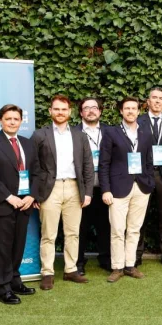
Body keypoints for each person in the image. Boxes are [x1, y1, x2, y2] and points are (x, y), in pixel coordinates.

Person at [0, 104, 38, 305]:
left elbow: (37, 172)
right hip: (1, 205)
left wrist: (32, 196)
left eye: (16, 119)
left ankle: (15, 281)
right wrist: (9, 197)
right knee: (2, 249)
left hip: (24, 204)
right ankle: (2, 289)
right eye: (8, 118)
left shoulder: (28, 144)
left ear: (21, 121)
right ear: (0, 120)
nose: (12, 122)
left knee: (18, 246)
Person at [31, 95, 94, 290]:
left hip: (74, 188)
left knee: (73, 233)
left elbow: (88, 165)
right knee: (48, 234)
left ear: (70, 112)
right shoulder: (39, 135)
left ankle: (71, 270)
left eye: (64, 109)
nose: (60, 112)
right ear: (50, 111)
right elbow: (33, 166)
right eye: (57, 109)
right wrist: (34, 194)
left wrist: (88, 192)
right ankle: (47, 272)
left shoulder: (79, 136)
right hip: (50, 189)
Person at [99, 97, 155, 282]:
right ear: (121, 111)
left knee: (134, 229)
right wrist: (105, 189)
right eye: (127, 108)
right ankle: (117, 267)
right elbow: (104, 163)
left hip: (141, 187)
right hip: (117, 188)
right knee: (117, 229)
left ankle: (130, 265)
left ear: (138, 111)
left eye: (134, 108)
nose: (130, 111)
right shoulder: (111, 133)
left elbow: (149, 161)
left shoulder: (146, 133)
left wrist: (149, 182)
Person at [136, 87, 162, 268]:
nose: (157, 101)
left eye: (161, 98)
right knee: (139, 217)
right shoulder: (138, 121)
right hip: (143, 175)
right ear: (148, 102)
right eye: (154, 98)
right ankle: (136, 255)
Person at [75, 97, 111, 275]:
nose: (91, 111)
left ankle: (106, 259)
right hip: (81, 188)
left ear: (100, 111)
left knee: (106, 226)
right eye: (86, 108)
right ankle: (78, 262)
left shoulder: (110, 131)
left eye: (94, 107)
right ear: (81, 113)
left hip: (105, 187)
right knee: (79, 227)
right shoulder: (73, 132)